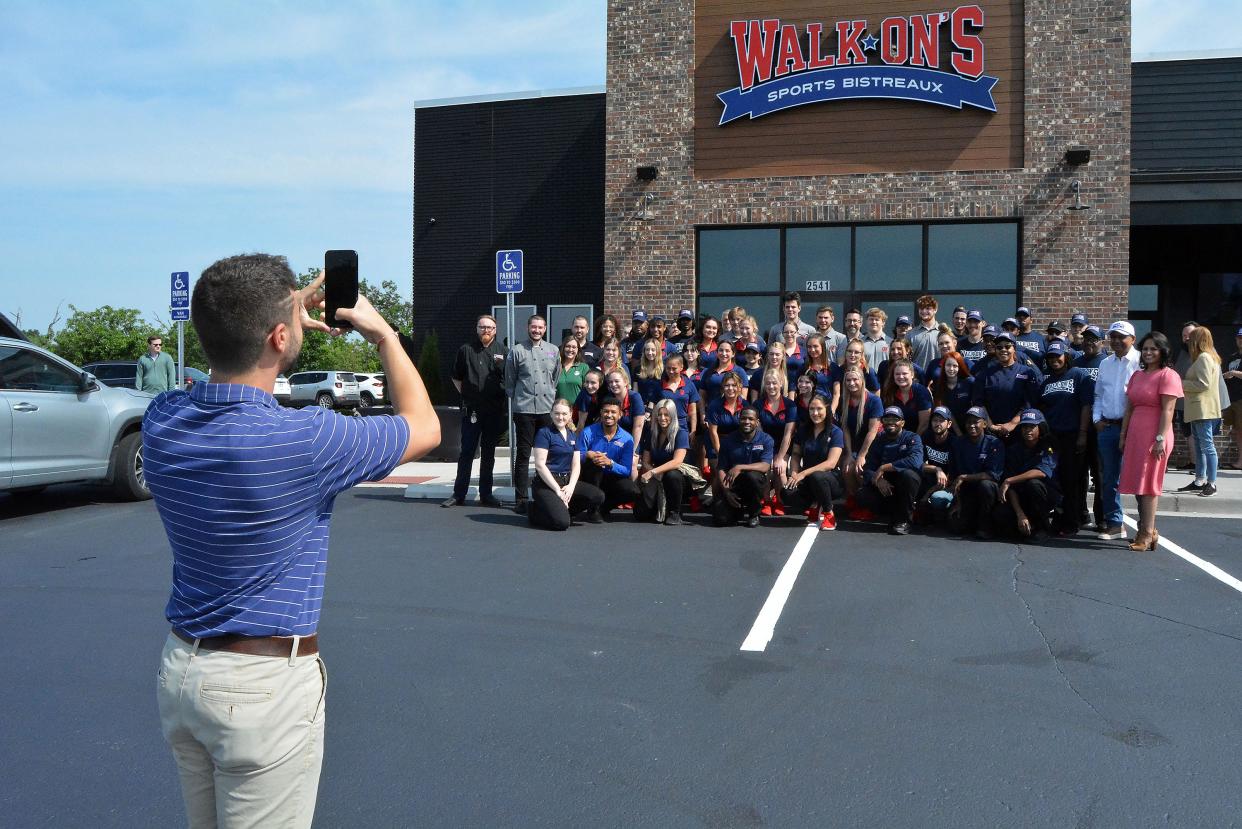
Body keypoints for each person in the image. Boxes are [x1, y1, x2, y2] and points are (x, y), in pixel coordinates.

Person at [147, 254, 439, 828]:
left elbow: (233, 340)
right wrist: (382, 333)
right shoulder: (306, 438)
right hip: (260, 689)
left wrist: (282, 309)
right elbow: (425, 425)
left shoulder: (164, 420)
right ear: (280, 338)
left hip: (182, 670)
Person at [1120, 332, 1183, 551]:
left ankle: (1146, 535)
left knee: (1149, 485)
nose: (1148, 353)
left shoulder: (1169, 375)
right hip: (1136, 434)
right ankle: (1147, 530)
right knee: (1139, 485)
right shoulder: (1138, 375)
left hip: (1155, 435)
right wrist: (1123, 435)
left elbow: (1168, 409)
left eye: (1153, 349)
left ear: (1162, 351)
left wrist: (1159, 439)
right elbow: (1129, 408)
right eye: (1145, 348)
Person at [445, 314, 507, 508]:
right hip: (471, 411)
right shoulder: (466, 350)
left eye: (489, 327)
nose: (486, 330)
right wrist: (467, 395)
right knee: (467, 453)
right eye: (482, 327)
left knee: (489, 454)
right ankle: (459, 494)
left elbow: (508, 379)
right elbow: (456, 377)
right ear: (477, 329)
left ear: (495, 331)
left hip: (494, 411)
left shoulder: (503, 351)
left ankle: (486, 494)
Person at [505, 314, 559, 514]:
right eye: (533, 327)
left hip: (546, 409)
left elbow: (555, 376)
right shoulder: (517, 351)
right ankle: (521, 498)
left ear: (545, 329)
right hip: (525, 410)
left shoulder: (553, 350)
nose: (537, 330)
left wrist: (550, 395)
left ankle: (545, 493)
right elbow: (510, 381)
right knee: (523, 455)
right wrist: (520, 398)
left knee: (546, 455)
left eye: (540, 327)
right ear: (528, 328)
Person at [1092, 321, 1141, 541]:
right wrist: (1096, 419)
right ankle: (1115, 523)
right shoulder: (1105, 363)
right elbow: (1098, 395)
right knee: (1109, 477)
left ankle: (1145, 526)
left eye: (1121, 337)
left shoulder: (1142, 361)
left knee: (1139, 478)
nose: (1116, 341)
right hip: (1108, 427)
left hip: (1134, 428)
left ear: (1133, 339)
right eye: (1113, 337)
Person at [1038, 341, 1092, 534]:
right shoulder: (1046, 382)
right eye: (1050, 357)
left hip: (1073, 435)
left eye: (1057, 356)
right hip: (1053, 438)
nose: (1054, 360)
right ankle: (1059, 519)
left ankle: (1072, 522)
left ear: (1066, 357)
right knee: (1056, 479)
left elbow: (1086, 406)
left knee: (1072, 480)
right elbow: (1042, 409)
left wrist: (1082, 434)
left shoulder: (1078, 375)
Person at [529, 399, 606, 530]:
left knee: (598, 496)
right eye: (557, 413)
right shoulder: (544, 433)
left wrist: (571, 486)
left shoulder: (572, 435)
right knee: (562, 523)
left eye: (564, 414)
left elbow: (576, 465)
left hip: (566, 481)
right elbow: (540, 465)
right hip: (546, 484)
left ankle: (561, 510)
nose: (560, 417)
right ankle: (534, 511)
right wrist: (557, 490)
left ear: (570, 415)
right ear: (551, 414)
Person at [855, 406, 924, 535]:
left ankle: (905, 520)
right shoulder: (879, 440)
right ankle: (891, 515)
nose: (891, 422)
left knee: (909, 476)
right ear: (882, 422)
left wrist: (884, 467)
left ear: (902, 422)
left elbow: (915, 461)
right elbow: (869, 468)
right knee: (862, 495)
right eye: (887, 419)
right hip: (886, 485)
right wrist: (878, 480)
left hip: (905, 485)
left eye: (895, 419)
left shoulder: (912, 438)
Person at [994, 409, 1059, 540]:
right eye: (1024, 426)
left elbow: (1041, 472)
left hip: (1045, 494)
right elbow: (1010, 488)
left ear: (1040, 428)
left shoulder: (1048, 445)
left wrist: (1009, 480)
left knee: (1033, 484)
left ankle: (1043, 526)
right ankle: (1025, 524)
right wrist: (1020, 514)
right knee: (1000, 516)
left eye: (1032, 426)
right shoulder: (1014, 450)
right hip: (1021, 495)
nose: (1027, 430)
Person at [786, 393, 845, 531]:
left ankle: (829, 513)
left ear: (827, 409)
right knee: (786, 492)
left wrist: (804, 473)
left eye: (819, 409)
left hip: (830, 481)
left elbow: (831, 463)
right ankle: (814, 503)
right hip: (808, 479)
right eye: (812, 409)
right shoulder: (803, 430)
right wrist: (794, 473)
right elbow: (795, 454)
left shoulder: (836, 432)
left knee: (817, 476)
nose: (815, 413)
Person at [578, 397, 641, 520]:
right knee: (596, 464)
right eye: (606, 411)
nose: (609, 415)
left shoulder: (627, 438)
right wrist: (588, 454)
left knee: (633, 490)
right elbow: (576, 456)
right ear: (601, 413)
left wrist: (610, 463)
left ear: (620, 415)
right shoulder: (587, 432)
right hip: (591, 478)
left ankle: (603, 508)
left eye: (613, 412)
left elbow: (626, 470)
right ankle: (593, 509)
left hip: (611, 478)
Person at [947, 406, 1005, 538]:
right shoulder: (958, 443)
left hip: (987, 493)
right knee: (956, 526)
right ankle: (971, 519)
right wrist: (957, 502)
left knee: (986, 485)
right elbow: (955, 477)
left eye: (976, 422)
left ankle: (986, 525)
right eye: (968, 422)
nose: (971, 425)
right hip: (966, 491)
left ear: (984, 424)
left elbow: (993, 475)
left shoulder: (994, 443)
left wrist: (965, 477)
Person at [973, 331, 1043, 440]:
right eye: (999, 347)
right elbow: (979, 403)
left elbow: (1029, 402)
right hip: (991, 433)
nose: (1003, 350)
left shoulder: (1027, 372)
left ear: (1014, 348)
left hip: (1019, 432)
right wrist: (991, 426)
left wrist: (1012, 424)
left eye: (1007, 346)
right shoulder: (984, 374)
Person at [711, 406, 774, 527]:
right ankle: (737, 511)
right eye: (743, 418)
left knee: (752, 476)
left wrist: (740, 467)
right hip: (733, 484)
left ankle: (754, 514)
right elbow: (721, 468)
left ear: (757, 422)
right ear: (739, 420)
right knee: (721, 520)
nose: (747, 422)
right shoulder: (728, 440)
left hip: (754, 485)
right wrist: (727, 492)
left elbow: (765, 465)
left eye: (751, 419)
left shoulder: (766, 439)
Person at [1180, 326, 1223, 497]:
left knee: (1207, 446)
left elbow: (1203, 384)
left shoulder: (1204, 358)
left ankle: (1211, 483)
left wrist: (1181, 383)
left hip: (1203, 410)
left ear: (1198, 339)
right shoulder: (1208, 357)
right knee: (1200, 446)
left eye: (1192, 337)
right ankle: (1199, 481)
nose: (1189, 340)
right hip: (1199, 409)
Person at [1072, 325, 1106, 528]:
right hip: (1077, 425)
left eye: (1094, 339)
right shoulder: (1075, 362)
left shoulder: (1107, 363)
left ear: (1102, 342)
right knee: (1078, 473)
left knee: (1099, 474)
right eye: (1086, 338)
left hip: (1100, 426)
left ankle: (1101, 518)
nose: (1089, 342)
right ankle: (1081, 514)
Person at [637, 399, 691, 525]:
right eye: (659, 414)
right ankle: (659, 507)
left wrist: (653, 472)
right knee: (640, 514)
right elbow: (645, 461)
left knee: (672, 475)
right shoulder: (651, 433)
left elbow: (677, 462)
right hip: (657, 476)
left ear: (673, 416)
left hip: (678, 477)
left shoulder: (681, 433)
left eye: (666, 415)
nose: (662, 418)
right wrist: (655, 473)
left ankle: (675, 512)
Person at [756, 369, 796, 515]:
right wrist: (768, 456)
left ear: (780, 384)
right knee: (766, 467)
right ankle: (766, 500)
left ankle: (779, 500)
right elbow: (759, 433)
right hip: (765, 445)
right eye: (768, 383)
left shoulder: (790, 405)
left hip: (783, 446)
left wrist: (779, 457)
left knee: (780, 467)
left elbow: (788, 434)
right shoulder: (758, 404)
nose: (771, 386)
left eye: (774, 383)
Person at [916, 406, 958, 523]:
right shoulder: (926, 436)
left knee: (938, 499)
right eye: (935, 420)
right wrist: (937, 469)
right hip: (932, 478)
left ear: (949, 424)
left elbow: (951, 477)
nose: (938, 423)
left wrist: (927, 495)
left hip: (949, 485)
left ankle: (945, 514)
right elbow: (918, 464)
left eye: (941, 421)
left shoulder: (955, 443)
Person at [881, 359, 933, 434]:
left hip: (919, 437)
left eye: (904, 373)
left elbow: (924, 424)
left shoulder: (922, 392)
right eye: (897, 374)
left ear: (912, 375)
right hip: (895, 437)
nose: (901, 377)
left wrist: (913, 441)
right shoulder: (890, 392)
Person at [604, 369, 647, 457]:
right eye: (611, 382)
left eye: (616, 381)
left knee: (632, 462)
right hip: (613, 439)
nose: (613, 384)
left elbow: (638, 426)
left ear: (625, 382)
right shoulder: (608, 398)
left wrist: (631, 450)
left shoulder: (635, 397)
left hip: (632, 439)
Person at [657, 352, 700, 433]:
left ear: (681, 367)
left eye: (674, 368)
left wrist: (693, 430)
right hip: (663, 427)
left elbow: (693, 411)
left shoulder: (689, 385)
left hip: (682, 426)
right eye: (668, 368)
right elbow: (655, 410)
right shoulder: (660, 385)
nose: (671, 371)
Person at [931, 351, 974, 430]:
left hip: (970, 426)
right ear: (943, 367)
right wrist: (958, 434)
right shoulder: (939, 384)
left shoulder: (969, 382)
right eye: (948, 365)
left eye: (955, 366)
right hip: (948, 428)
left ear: (960, 367)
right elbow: (943, 410)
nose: (951, 369)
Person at [700, 339, 747, 404]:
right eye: (721, 350)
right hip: (711, 411)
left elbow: (743, 397)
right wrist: (703, 413)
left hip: (731, 412)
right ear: (717, 352)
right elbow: (702, 395)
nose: (724, 353)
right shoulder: (708, 371)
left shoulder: (739, 371)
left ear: (733, 354)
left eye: (727, 351)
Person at [1224, 327, 1242, 470]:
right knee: (1237, 430)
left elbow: (1233, 373)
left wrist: (1234, 373)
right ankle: (1240, 461)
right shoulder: (1232, 356)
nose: (1240, 340)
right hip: (1232, 399)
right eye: (1239, 337)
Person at [555, 336, 590, 407]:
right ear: (563, 348)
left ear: (578, 350)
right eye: (568, 346)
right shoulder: (555, 366)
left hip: (577, 410)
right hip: (558, 410)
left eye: (574, 347)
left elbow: (587, 391)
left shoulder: (583, 367)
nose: (570, 349)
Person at [908, 295, 942, 368]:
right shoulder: (910, 334)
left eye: (928, 308)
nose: (924, 311)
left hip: (938, 377)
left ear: (935, 309)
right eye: (921, 308)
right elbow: (906, 359)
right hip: (917, 378)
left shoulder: (943, 332)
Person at [634, 338, 665, 405]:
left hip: (659, 407)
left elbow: (665, 392)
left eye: (653, 350)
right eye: (647, 350)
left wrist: (652, 406)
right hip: (642, 406)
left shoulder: (664, 370)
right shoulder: (638, 369)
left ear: (658, 351)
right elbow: (635, 392)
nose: (650, 352)